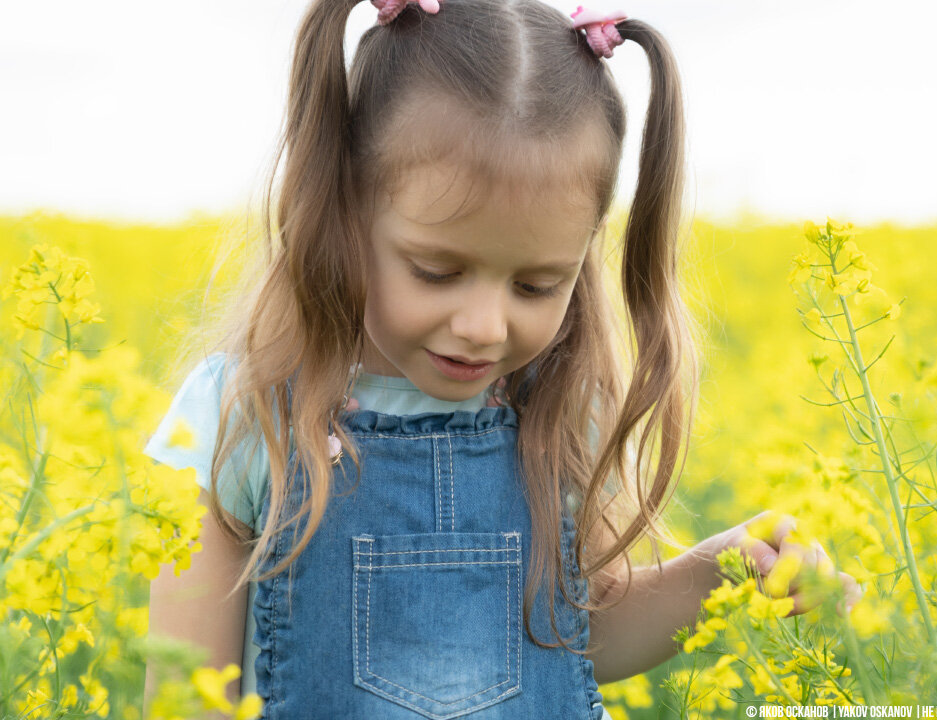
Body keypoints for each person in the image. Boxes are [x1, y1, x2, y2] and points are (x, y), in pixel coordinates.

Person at [143, 0, 862, 718]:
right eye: (436, 270)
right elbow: (186, 696)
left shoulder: (549, 407)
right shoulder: (244, 414)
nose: (485, 327)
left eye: (536, 285)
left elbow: (573, 637)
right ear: (345, 212)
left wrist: (718, 573)